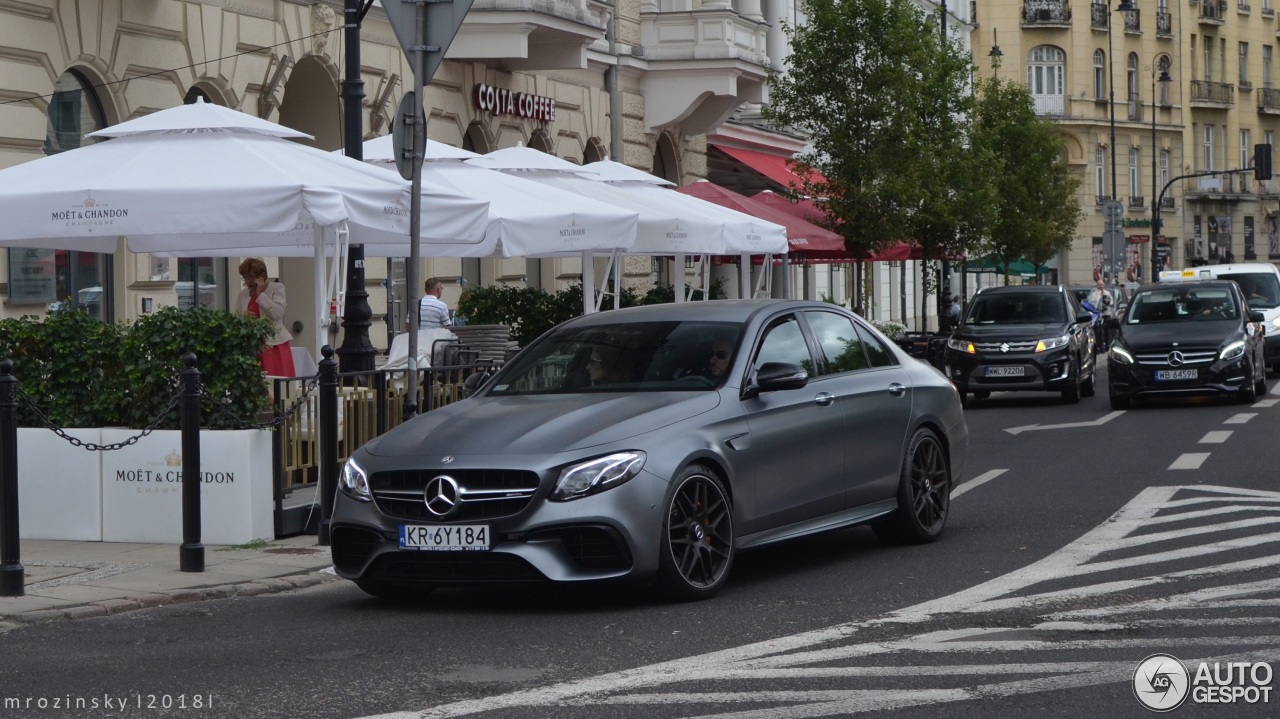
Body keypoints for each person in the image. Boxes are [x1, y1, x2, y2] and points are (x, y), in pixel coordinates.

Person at [236, 257, 295, 377]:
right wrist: (243, 317)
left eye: (251, 277)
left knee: (275, 380)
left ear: (261, 276)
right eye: (245, 277)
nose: (248, 282)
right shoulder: (242, 294)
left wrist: (261, 294)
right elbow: (235, 318)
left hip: (273, 344)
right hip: (251, 344)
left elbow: (277, 314)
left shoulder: (277, 288)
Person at [1087, 279, 1115, 350]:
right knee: (1100, 331)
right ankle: (1100, 346)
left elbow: (1112, 302)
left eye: (1102, 284)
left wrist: (1107, 303)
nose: (1100, 286)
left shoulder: (1107, 293)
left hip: (1107, 314)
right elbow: (1092, 304)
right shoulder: (1094, 294)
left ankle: (1107, 345)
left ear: (1104, 285)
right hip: (1098, 315)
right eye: (1099, 284)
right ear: (1097, 285)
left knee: (1107, 330)